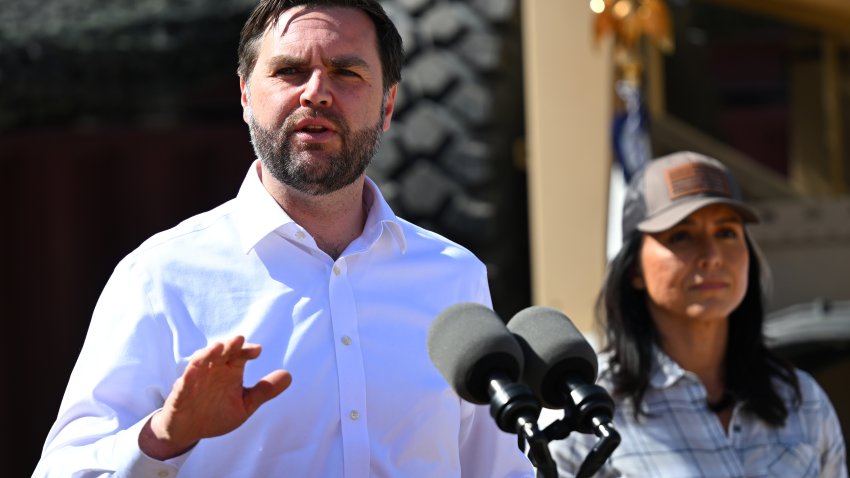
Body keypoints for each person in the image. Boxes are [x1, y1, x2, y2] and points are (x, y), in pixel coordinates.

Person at [33, 1, 534, 476]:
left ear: (387, 105)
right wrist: (164, 436)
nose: (316, 92)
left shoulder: (453, 276)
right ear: (246, 96)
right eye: (290, 71)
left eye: (346, 72)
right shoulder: (160, 277)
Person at [550, 151, 848, 477]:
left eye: (726, 232)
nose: (712, 256)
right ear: (634, 268)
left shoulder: (801, 399)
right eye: (681, 236)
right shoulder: (588, 408)